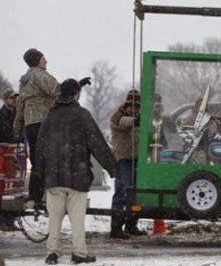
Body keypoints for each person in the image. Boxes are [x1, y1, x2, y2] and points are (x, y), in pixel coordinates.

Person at [33, 79, 117, 265]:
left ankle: (52, 253)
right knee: (77, 219)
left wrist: (40, 175)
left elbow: (39, 148)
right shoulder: (82, 115)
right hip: (77, 177)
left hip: (54, 177)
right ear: (76, 95)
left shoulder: (51, 117)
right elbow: (97, 143)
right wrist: (112, 167)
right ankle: (79, 253)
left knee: (54, 218)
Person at [13, 48, 60, 208]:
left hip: (30, 125)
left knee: (37, 161)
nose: (46, 61)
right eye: (43, 58)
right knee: (50, 160)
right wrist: (74, 86)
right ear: (37, 61)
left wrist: (17, 131)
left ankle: (35, 195)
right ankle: (49, 196)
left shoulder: (24, 81)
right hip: (44, 122)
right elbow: (57, 91)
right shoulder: (40, 75)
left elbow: (20, 108)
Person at [109, 90, 146, 239]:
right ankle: (116, 228)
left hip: (137, 160)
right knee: (122, 193)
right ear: (126, 105)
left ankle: (131, 225)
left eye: (137, 107)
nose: (134, 110)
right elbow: (124, 122)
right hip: (123, 159)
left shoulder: (139, 118)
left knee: (135, 194)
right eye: (131, 106)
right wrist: (136, 121)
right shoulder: (117, 116)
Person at [0, 89, 21, 231]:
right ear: (5, 99)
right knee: (3, 189)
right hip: (3, 153)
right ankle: (2, 220)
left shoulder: (17, 116)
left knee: (13, 190)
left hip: (14, 153)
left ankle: (10, 220)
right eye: (11, 98)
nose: (14, 100)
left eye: (15, 98)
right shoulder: (1, 116)